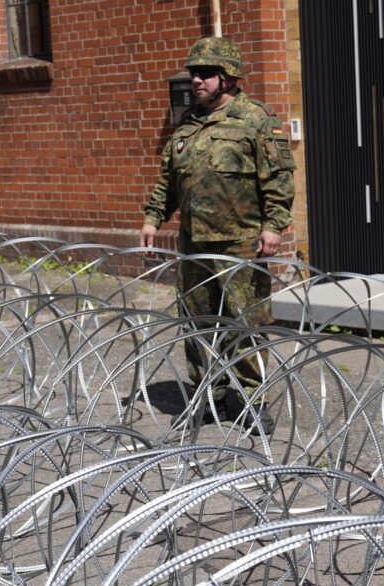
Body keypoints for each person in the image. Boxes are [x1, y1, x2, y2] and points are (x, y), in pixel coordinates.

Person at [139, 36, 296, 435]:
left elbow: (278, 180)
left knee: (244, 324)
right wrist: (153, 219)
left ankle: (250, 402)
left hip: (240, 242)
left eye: (206, 73)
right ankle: (209, 397)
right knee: (198, 324)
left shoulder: (256, 119)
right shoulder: (187, 124)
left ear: (228, 77)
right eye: (194, 73)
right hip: (193, 244)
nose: (197, 80)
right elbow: (168, 182)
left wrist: (273, 226)